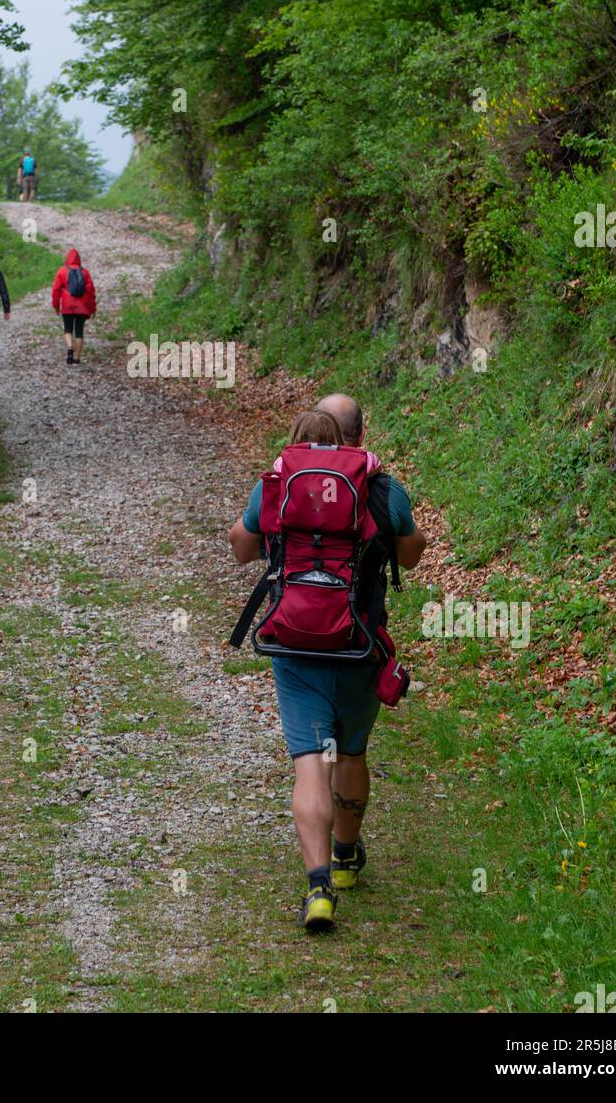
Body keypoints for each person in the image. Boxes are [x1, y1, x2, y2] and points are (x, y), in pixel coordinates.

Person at [228, 393, 427, 932]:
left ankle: (317, 889)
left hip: (293, 646)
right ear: (357, 438)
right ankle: (343, 858)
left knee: (309, 758)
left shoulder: (276, 483)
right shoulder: (384, 490)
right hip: (359, 646)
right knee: (352, 751)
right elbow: (411, 555)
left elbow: (242, 548)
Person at [50, 247, 96, 365]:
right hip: (82, 307)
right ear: (79, 259)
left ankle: (70, 346)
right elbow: (91, 292)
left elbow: (56, 290)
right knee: (79, 332)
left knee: (68, 329)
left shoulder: (62, 271)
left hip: (67, 305)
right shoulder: (85, 272)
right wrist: (92, 308)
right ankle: (76, 358)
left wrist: (56, 306)